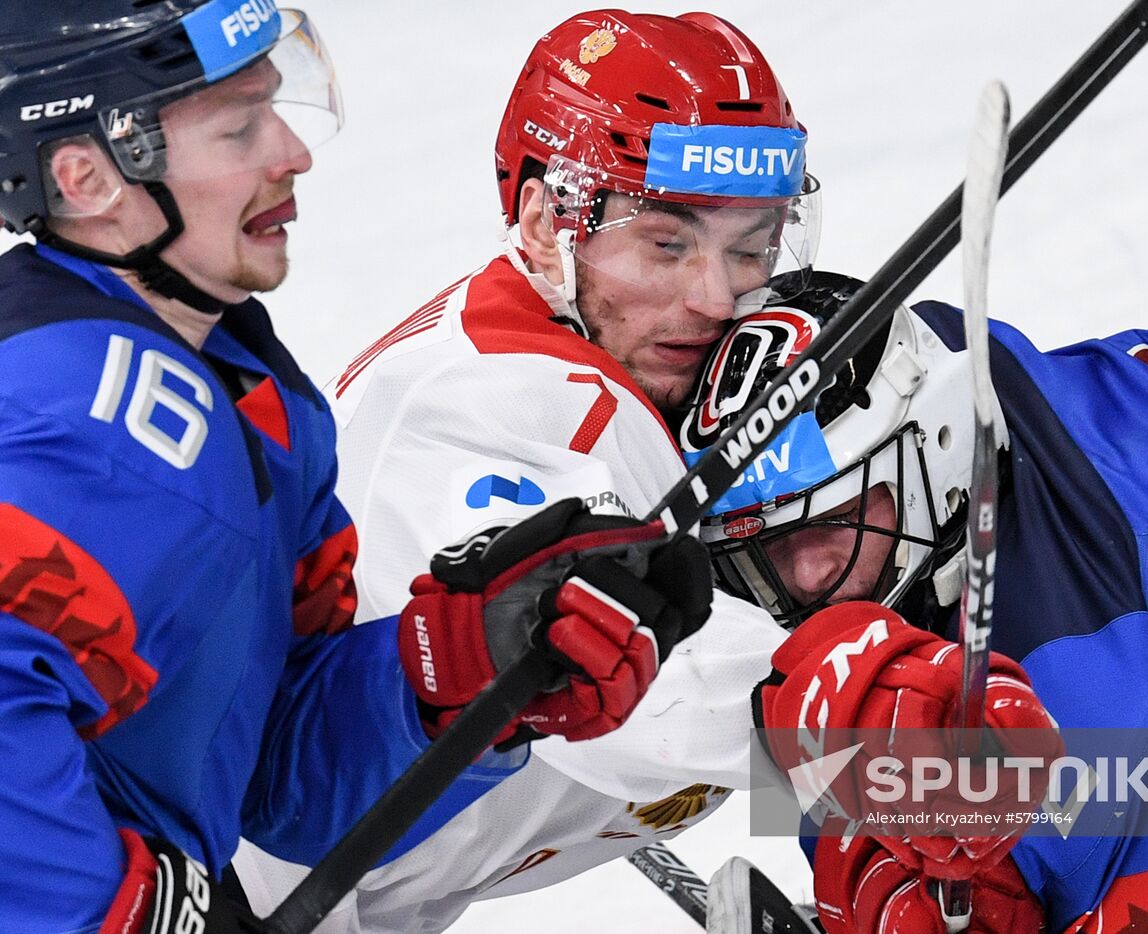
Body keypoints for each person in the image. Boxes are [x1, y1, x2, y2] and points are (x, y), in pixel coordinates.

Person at [0, 3, 707, 931]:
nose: (292, 150)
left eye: (277, 107)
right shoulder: (58, 405)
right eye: (237, 127)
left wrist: (454, 664)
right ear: (88, 175)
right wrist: (121, 909)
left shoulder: (260, 400)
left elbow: (280, 786)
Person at [233, 9, 827, 932]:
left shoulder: (692, 365)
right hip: (211, 892)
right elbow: (637, 700)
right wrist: (913, 751)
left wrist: (874, 827)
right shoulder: (472, 401)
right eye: (666, 243)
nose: (716, 298)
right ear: (550, 218)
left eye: (752, 245)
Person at [684, 270, 1148, 933]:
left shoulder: (1067, 669)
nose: (806, 576)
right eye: (763, 551)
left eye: (835, 519)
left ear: (929, 448)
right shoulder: (980, 405)